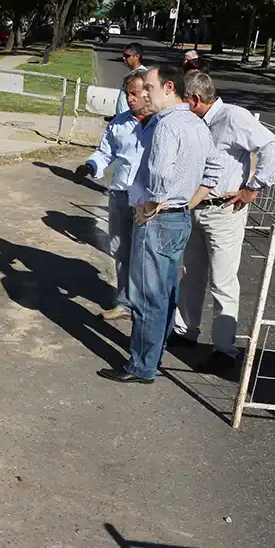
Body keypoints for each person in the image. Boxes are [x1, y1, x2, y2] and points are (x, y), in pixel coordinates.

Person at [98, 65, 224, 384]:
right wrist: (187, 203)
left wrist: (150, 207)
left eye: (149, 88)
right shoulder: (196, 123)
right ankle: (153, 353)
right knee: (165, 291)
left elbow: (160, 175)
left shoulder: (166, 126)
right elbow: (213, 171)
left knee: (147, 295)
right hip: (178, 217)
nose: (145, 94)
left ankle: (142, 365)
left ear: (169, 88)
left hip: (157, 221)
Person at [172, 72, 275, 371]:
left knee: (222, 280)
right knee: (192, 273)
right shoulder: (196, 121)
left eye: (184, 99)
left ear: (195, 99)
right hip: (196, 207)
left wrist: (253, 188)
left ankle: (224, 350)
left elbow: (274, 147)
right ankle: (185, 331)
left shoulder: (233, 117)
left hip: (224, 211)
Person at [75, 72, 152, 321]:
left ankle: (147, 308)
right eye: (127, 93)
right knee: (121, 250)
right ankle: (125, 303)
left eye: (134, 93)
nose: (129, 99)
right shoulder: (119, 122)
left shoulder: (162, 124)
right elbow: (105, 153)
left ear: (148, 93)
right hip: (120, 195)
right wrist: (90, 166)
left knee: (146, 255)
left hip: (148, 200)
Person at [115, 42, 148, 115]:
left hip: (129, 119)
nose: (124, 58)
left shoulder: (142, 75)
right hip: (122, 117)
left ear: (137, 56)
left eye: (127, 56)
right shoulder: (132, 74)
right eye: (123, 55)